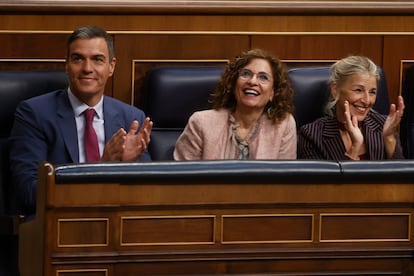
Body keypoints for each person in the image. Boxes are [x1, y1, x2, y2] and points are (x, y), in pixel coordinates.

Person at [9, 25, 153, 215]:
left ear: (111, 67)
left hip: (116, 224)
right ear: (66, 65)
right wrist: (102, 169)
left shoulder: (132, 118)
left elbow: (146, 193)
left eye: (97, 59)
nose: (87, 68)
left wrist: (128, 167)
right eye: (78, 59)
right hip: (59, 226)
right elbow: (29, 193)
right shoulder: (34, 114)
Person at [174, 48, 297, 160]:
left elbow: (284, 180)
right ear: (233, 84)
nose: (252, 81)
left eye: (263, 77)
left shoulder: (283, 125)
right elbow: (182, 178)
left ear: (272, 93)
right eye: (246, 74)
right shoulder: (201, 123)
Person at [298, 55, 404, 160]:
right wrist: (355, 148)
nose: (367, 101)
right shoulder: (312, 135)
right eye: (358, 90)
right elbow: (321, 177)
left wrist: (389, 138)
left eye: (372, 92)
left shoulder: (383, 126)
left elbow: (402, 176)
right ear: (335, 90)